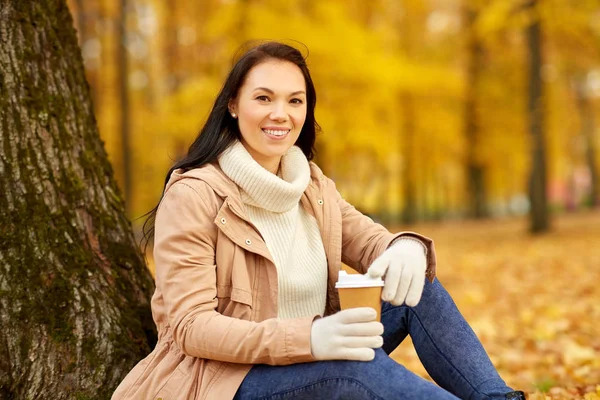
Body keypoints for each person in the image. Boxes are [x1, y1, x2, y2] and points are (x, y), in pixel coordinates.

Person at [112, 41, 526, 400]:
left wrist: (408, 247)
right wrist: (309, 338)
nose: (281, 114)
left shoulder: (310, 184)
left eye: (295, 100)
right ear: (233, 105)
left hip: (315, 355)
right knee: (351, 369)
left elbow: (370, 242)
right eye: (263, 98)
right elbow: (191, 327)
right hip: (227, 381)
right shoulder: (194, 194)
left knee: (420, 290)